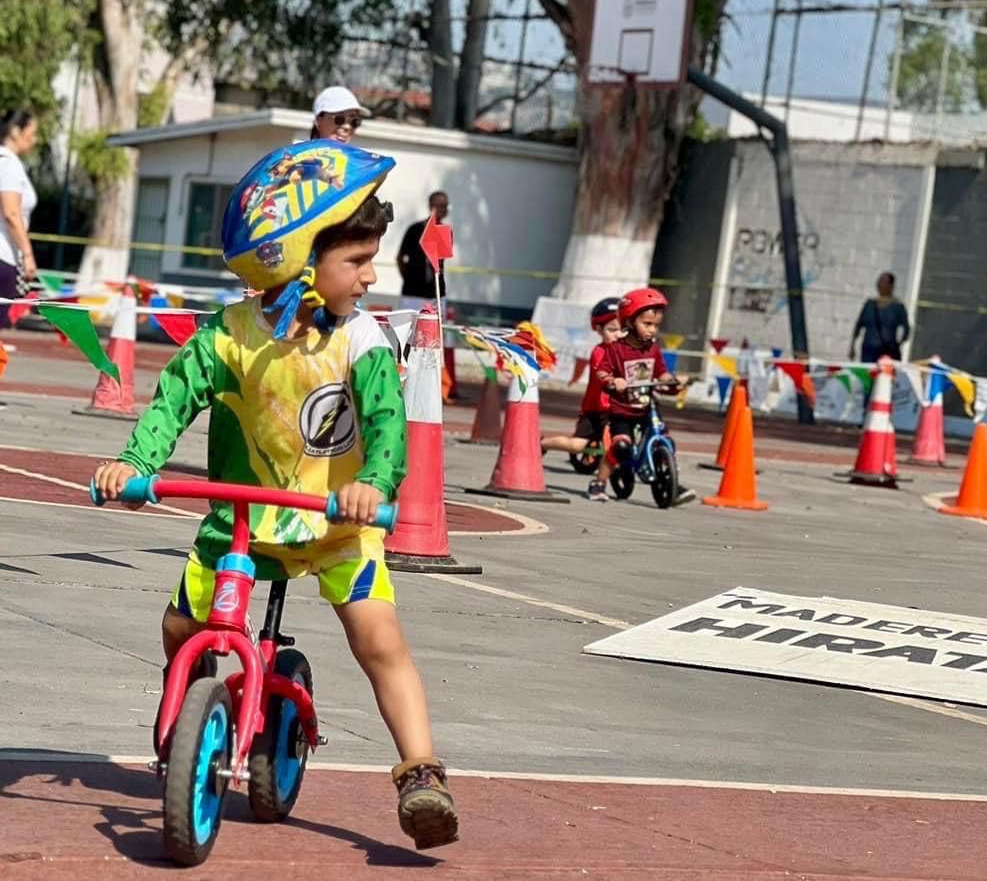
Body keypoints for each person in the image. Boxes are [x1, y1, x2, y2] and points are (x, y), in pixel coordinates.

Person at [92, 140, 458, 851]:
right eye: (356, 260)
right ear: (296, 260)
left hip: (334, 525)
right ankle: (193, 709)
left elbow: (387, 428)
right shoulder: (228, 336)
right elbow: (172, 400)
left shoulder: (362, 340)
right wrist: (134, 462)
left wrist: (373, 483)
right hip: (242, 522)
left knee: (379, 638)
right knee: (179, 626)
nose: (372, 274)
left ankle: (420, 772)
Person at [597, 287, 696, 506]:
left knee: (666, 441)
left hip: (646, 407)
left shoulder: (653, 349)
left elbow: (661, 373)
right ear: (630, 322)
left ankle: (671, 482)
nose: (652, 330)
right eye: (647, 324)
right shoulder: (616, 349)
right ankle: (600, 482)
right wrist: (614, 381)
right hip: (622, 410)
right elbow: (602, 372)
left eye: (656, 325)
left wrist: (673, 380)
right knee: (621, 446)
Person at [541, 297, 622, 502]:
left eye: (622, 330)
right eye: (612, 330)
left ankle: (600, 482)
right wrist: (613, 380)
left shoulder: (627, 352)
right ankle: (541, 443)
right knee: (578, 446)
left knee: (618, 442)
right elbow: (602, 374)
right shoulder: (599, 352)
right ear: (598, 329)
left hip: (619, 408)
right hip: (596, 409)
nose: (618, 334)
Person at [0, 109, 39, 331]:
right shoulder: (9, 164)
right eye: (31, 133)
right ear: (16, 132)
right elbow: (11, 213)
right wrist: (28, 254)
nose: (34, 140)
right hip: (3, 256)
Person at [397, 191, 449, 313]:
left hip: (435, 295)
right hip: (412, 295)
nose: (444, 209)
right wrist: (409, 278)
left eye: (446, 206)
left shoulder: (445, 231)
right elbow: (400, 258)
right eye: (441, 206)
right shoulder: (415, 230)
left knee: (434, 330)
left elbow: (440, 263)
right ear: (431, 206)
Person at [850, 272, 910, 363]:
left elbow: (907, 329)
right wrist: (852, 346)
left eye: (883, 281)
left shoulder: (898, 306)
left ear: (891, 285)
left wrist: (898, 345)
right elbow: (859, 325)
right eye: (879, 281)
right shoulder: (869, 304)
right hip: (868, 350)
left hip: (887, 352)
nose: (879, 284)